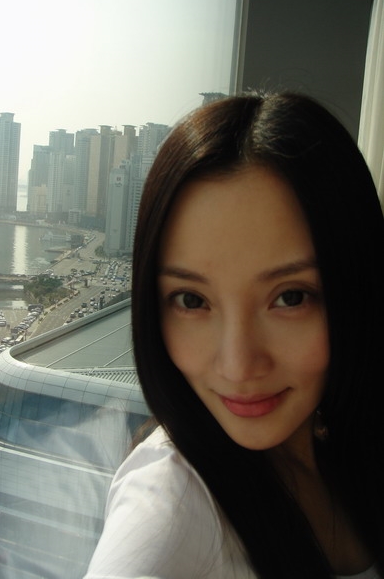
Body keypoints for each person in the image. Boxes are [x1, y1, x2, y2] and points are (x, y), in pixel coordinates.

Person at [85, 93, 384, 578]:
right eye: (191, 300)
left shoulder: (347, 452)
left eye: (290, 297)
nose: (238, 366)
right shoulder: (170, 502)